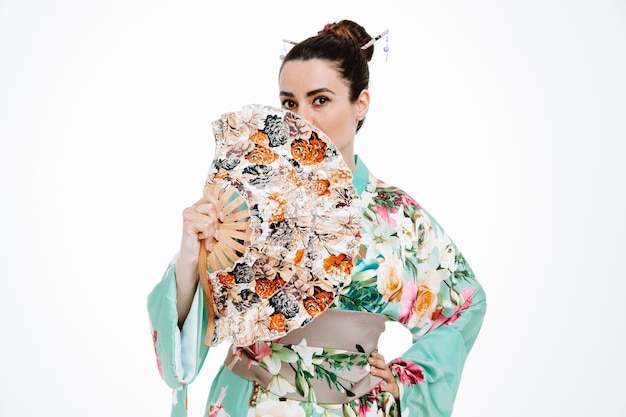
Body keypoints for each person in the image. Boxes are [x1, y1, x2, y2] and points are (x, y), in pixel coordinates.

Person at [148, 19, 486, 417]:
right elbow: (199, 325)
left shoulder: (395, 215)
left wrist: (411, 377)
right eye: (289, 103)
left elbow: (464, 304)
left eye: (320, 100)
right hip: (249, 402)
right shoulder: (243, 201)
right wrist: (190, 260)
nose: (301, 118)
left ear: (360, 103)